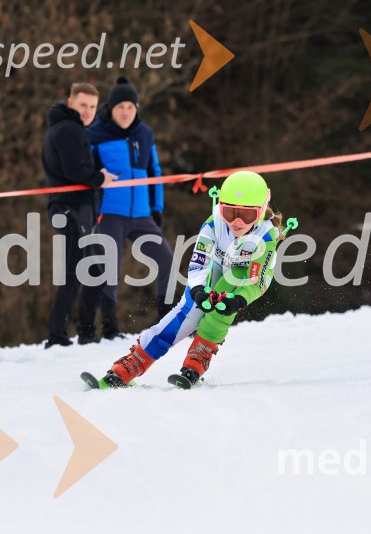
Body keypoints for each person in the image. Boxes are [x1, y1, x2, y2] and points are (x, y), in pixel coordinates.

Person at [88, 171, 285, 388]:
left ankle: (196, 362)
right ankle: (132, 364)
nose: (236, 222)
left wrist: (238, 300)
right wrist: (198, 289)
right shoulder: (213, 225)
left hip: (245, 275)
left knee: (222, 304)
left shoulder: (266, 236)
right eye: (229, 212)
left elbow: (255, 281)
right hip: (216, 265)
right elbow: (199, 264)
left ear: (260, 212)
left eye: (246, 215)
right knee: (188, 312)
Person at [77, 76, 174, 343]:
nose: (126, 112)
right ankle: (109, 330)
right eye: (121, 107)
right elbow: (85, 174)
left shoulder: (144, 134)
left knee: (166, 259)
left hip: (142, 214)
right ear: (112, 108)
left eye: (131, 107)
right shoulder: (95, 134)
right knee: (110, 270)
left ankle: (166, 320)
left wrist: (156, 208)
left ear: (136, 109)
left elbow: (154, 171)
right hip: (109, 213)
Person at [43, 82, 117, 348]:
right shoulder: (68, 130)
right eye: (83, 105)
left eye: (92, 107)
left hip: (79, 209)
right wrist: (101, 178)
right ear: (71, 102)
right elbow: (76, 172)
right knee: (74, 272)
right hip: (68, 209)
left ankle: (86, 332)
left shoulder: (71, 129)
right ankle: (57, 336)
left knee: (97, 269)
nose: (87, 111)